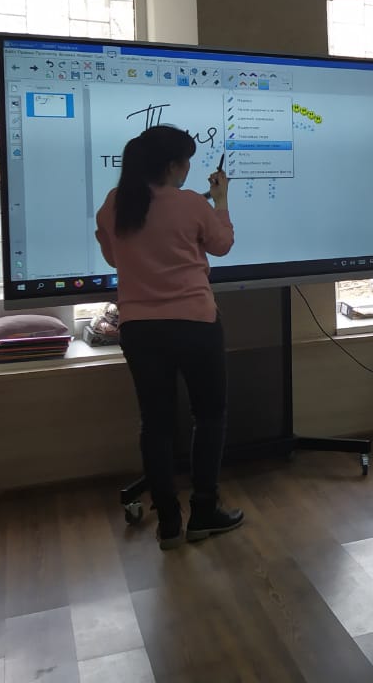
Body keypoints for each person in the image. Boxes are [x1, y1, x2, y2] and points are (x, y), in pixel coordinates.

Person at [95, 125, 243, 550]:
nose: (189, 169)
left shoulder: (115, 204)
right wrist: (221, 201)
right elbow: (222, 245)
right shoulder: (192, 203)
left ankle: (169, 524)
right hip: (196, 324)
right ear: (171, 165)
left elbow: (113, 256)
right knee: (209, 416)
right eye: (186, 161)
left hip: (140, 329)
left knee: (156, 424)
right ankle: (204, 512)